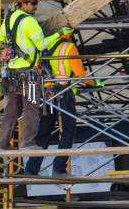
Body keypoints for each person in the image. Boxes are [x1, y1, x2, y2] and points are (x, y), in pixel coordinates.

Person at [0, 0, 73, 150]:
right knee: (31, 108)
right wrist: (60, 34)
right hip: (28, 73)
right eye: (32, 3)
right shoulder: (29, 21)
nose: (35, 6)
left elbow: (2, 39)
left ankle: (1, 143)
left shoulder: (9, 18)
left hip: (11, 72)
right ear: (22, 4)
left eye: (36, 2)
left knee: (12, 110)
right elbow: (42, 44)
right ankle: (28, 143)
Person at [25, 30, 103, 176]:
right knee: (68, 131)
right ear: (71, 36)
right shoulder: (69, 48)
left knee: (44, 132)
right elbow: (80, 74)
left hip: (47, 92)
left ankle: (30, 169)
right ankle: (59, 168)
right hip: (63, 92)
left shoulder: (45, 47)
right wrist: (94, 83)